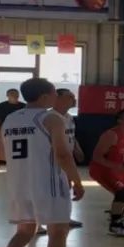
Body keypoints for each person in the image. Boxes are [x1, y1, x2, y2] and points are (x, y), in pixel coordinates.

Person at [0, 78, 84, 247]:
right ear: (44, 96)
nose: (56, 97)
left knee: (24, 232)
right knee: (58, 230)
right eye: (54, 93)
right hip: (48, 184)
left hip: (19, 184)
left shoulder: (11, 119)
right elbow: (63, 154)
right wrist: (77, 181)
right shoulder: (51, 118)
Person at [90, 109, 124, 238]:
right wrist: (115, 166)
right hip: (102, 169)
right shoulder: (111, 135)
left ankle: (117, 211)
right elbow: (96, 157)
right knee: (121, 193)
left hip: (116, 169)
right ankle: (115, 225)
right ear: (120, 121)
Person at [51, 88, 84, 230]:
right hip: (53, 160)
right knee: (50, 191)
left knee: (66, 188)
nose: (73, 99)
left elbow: (71, 136)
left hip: (67, 158)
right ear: (57, 98)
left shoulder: (69, 117)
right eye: (69, 96)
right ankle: (37, 222)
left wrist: (77, 148)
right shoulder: (50, 117)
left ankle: (64, 217)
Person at [0, 89, 25, 171]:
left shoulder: (24, 106)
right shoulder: (1, 106)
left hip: (20, 130)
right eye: (12, 94)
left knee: (19, 146)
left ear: (18, 95)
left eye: (16, 94)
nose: (14, 96)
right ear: (7, 95)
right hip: (4, 129)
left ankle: (19, 164)